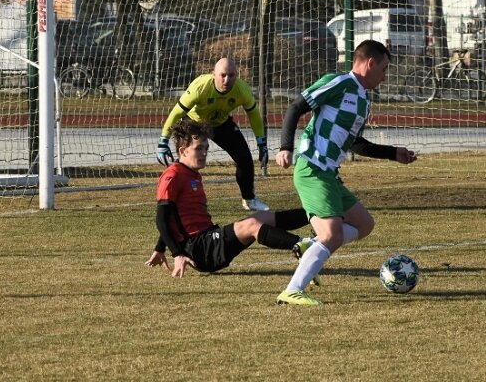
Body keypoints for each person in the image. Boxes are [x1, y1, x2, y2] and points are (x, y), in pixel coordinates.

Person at [274, 40, 418, 306]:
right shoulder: (339, 82)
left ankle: (311, 245)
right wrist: (285, 147)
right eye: (384, 69)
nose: (384, 77)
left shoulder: (363, 101)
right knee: (333, 235)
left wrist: (392, 153)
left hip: (329, 174)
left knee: (364, 225)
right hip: (312, 168)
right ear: (370, 63)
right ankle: (292, 290)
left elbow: (356, 143)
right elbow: (296, 106)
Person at [145, 119, 314, 277]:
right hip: (198, 249)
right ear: (183, 151)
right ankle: (306, 246)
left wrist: (160, 249)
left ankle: (317, 214)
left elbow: (174, 217)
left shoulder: (191, 173)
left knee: (262, 217)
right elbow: (162, 219)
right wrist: (178, 253)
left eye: (206, 148)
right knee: (252, 225)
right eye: (198, 148)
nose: (204, 153)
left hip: (207, 239)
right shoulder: (173, 176)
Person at [156, 57, 270, 211]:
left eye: (231, 75)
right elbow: (176, 113)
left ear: (237, 75)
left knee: (244, 158)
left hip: (221, 124)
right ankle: (176, 198)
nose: (226, 79)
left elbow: (254, 115)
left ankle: (249, 200)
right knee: (187, 161)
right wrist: (163, 141)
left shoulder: (242, 90)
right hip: (194, 122)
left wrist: (261, 143)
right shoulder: (200, 87)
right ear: (213, 74)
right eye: (222, 75)